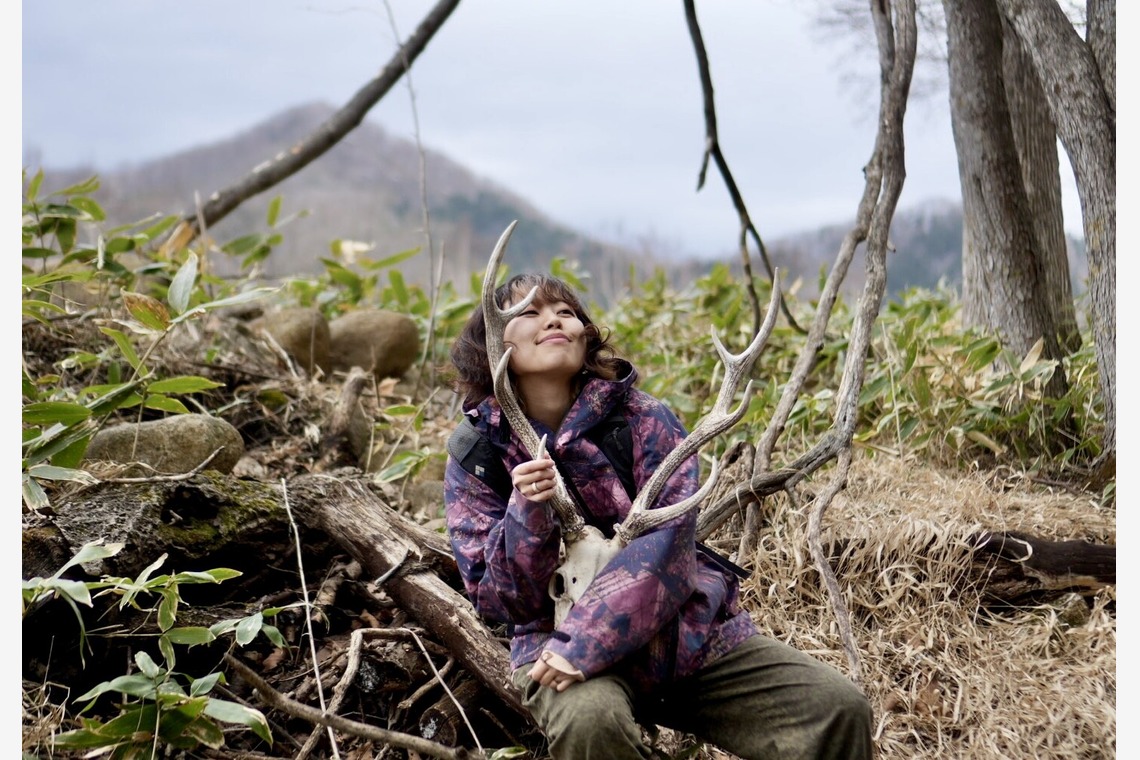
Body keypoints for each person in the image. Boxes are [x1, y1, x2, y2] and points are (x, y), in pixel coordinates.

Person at [444, 273, 872, 760]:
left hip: (679, 635)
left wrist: (587, 644)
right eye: (529, 312)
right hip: (553, 647)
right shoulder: (476, 455)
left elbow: (668, 547)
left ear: (585, 335)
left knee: (836, 708)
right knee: (590, 722)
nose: (554, 320)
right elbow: (501, 604)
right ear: (492, 344)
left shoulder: (646, 419)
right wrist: (527, 513)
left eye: (566, 311)